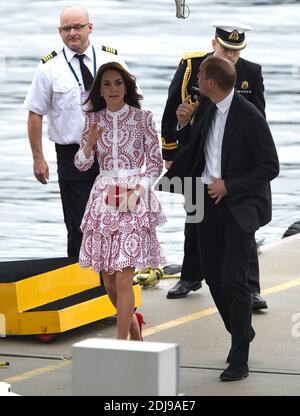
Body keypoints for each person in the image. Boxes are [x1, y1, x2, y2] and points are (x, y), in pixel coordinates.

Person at [161, 56, 279, 380]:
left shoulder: (250, 117)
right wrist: (183, 124)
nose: (197, 77)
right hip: (205, 201)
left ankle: (239, 356)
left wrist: (230, 185)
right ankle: (242, 330)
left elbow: (270, 166)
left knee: (236, 279)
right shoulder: (208, 106)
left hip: (238, 206)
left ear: (211, 82)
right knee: (213, 275)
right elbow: (197, 149)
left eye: (200, 74)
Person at [162, 22, 267, 310]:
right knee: (194, 219)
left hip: (235, 162)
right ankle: (190, 276)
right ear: (213, 44)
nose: (230, 56)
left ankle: (252, 288)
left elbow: (260, 118)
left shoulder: (250, 72)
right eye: (225, 49)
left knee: (244, 225)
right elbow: (173, 107)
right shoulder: (193, 65)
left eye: (235, 51)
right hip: (198, 155)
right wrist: (170, 152)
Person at [24, 5, 130, 258]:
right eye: (67, 29)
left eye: (78, 27)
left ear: (89, 28)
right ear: (59, 32)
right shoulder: (49, 68)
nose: (73, 33)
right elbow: (34, 113)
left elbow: (132, 106)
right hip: (72, 154)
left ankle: (114, 284)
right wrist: (38, 158)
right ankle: (81, 285)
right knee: (80, 224)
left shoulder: (111, 60)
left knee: (119, 222)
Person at [74, 62, 167, 340]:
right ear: (99, 90)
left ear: (126, 87)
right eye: (107, 84)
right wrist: (89, 144)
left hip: (134, 197)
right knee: (109, 281)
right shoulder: (93, 120)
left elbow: (155, 163)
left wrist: (139, 191)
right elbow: (80, 164)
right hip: (102, 198)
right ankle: (134, 328)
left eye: (118, 83)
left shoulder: (143, 118)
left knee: (125, 276)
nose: (113, 88)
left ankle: (121, 344)